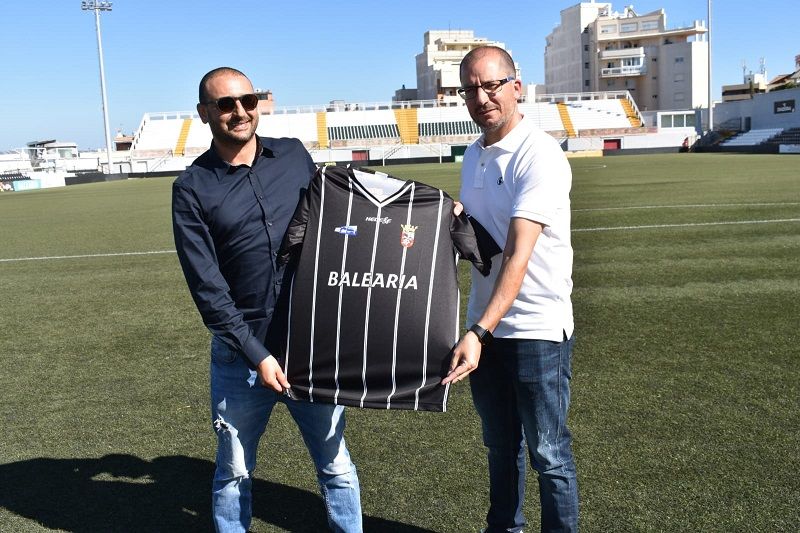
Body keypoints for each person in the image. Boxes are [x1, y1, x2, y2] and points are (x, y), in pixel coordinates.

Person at [172, 67, 362, 533]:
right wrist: (257, 354)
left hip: (308, 348)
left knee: (336, 466)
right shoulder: (191, 188)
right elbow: (208, 290)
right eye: (226, 104)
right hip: (240, 356)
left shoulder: (294, 155)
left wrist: (430, 212)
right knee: (234, 472)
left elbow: (339, 214)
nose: (240, 111)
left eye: (248, 100)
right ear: (204, 113)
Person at [442, 46, 579, 532]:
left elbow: (519, 255)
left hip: (534, 328)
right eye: (470, 90)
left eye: (491, 85)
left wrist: (477, 331)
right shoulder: (474, 154)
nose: (481, 97)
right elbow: (487, 242)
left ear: (516, 87)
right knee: (500, 447)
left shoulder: (538, 154)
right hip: (486, 329)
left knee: (549, 455)